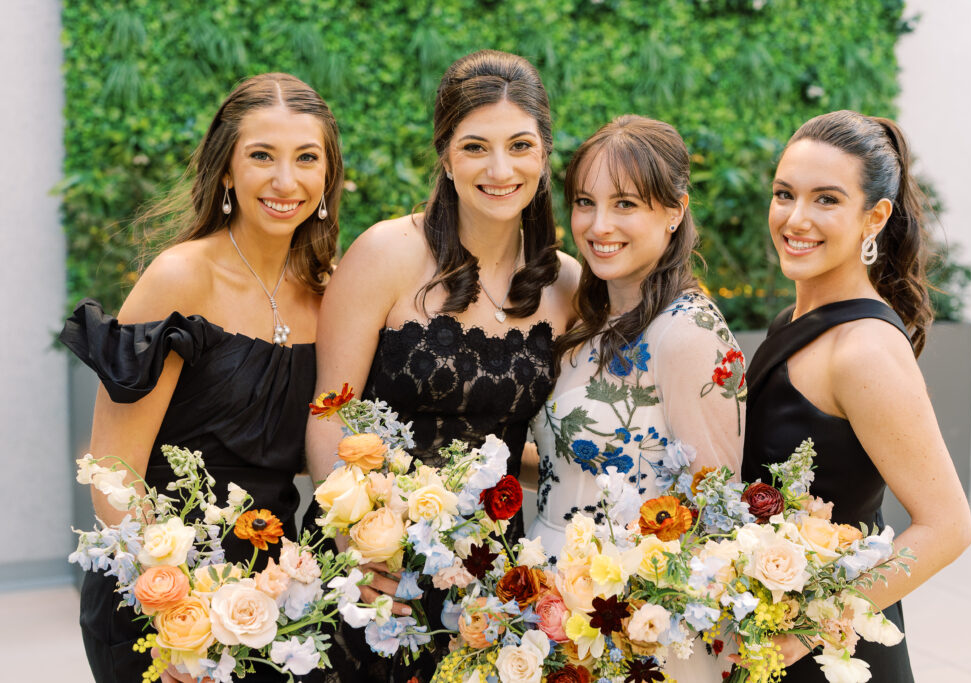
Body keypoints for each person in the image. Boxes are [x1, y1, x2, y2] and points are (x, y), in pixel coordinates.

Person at [304, 50, 579, 682]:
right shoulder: (385, 254)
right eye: (476, 146)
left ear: (543, 153)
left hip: (492, 585)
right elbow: (329, 414)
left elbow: (557, 444)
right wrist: (359, 550)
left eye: (520, 145)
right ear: (446, 155)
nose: (501, 168)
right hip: (373, 567)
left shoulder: (567, 286)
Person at [60, 73, 342, 683]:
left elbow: (307, 450)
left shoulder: (330, 295)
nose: (285, 181)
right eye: (261, 156)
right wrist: (178, 616)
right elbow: (113, 473)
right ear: (226, 171)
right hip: (160, 607)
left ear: (327, 177)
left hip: (280, 607)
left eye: (306, 158)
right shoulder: (179, 280)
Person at [740, 110, 971, 680]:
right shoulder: (791, 322)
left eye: (826, 199)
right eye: (784, 194)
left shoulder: (862, 349)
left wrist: (815, 622)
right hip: (769, 636)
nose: (796, 218)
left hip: (830, 655)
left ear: (875, 217)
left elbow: (947, 526)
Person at [526, 115, 742, 680]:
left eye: (625, 204)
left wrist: (631, 617)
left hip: (637, 630)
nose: (598, 225)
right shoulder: (589, 320)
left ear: (674, 210)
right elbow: (578, 462)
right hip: (552, 612)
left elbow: (716, 509)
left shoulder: (690, 333)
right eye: (584, 202)